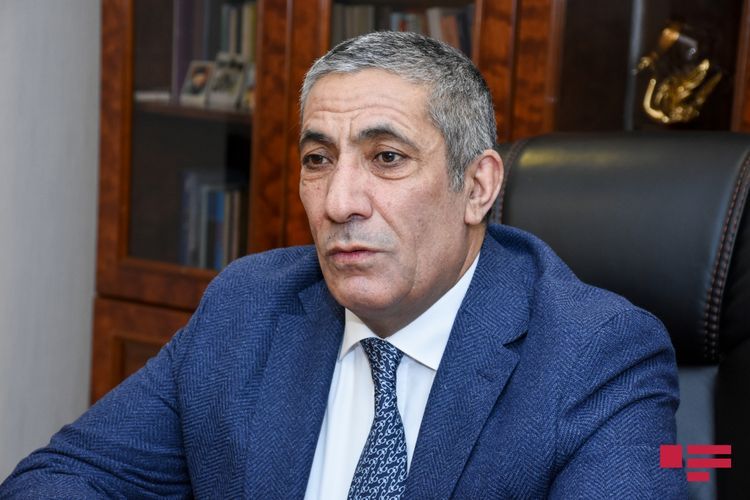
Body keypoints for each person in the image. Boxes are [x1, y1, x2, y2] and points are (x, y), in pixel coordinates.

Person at [1, 31, 686, 498]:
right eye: (317, 159)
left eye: (387, 158)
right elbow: (61, 477)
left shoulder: (593, 356)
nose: (338, 202)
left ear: (477, 187)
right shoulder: (249, 306)